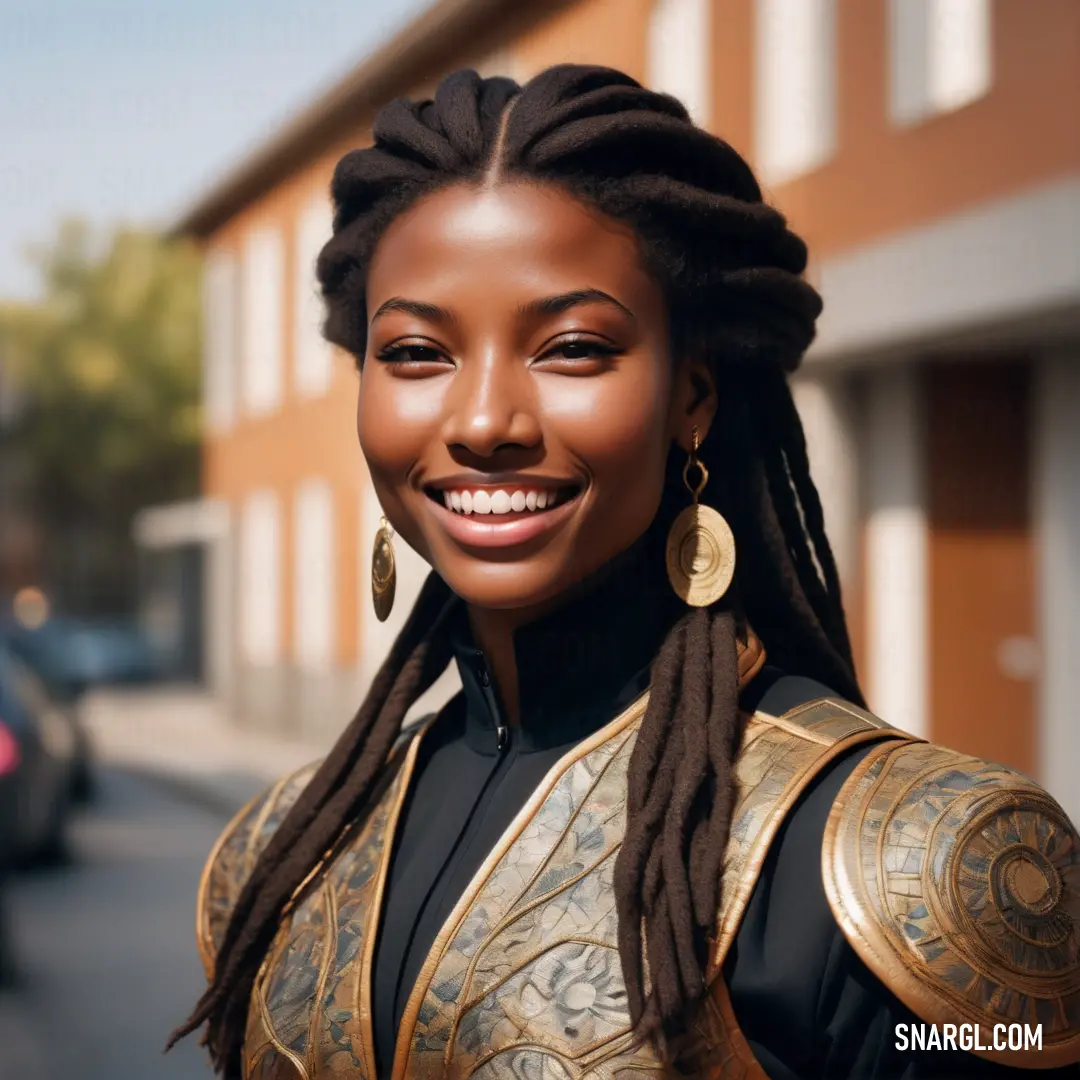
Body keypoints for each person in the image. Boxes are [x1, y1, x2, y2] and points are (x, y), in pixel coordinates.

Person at [170, 65, 1080, 1079]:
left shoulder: (916, 863)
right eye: (418, 352)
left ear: (691, 395)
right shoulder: (281, 854)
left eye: (571, 347)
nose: (482, 423)